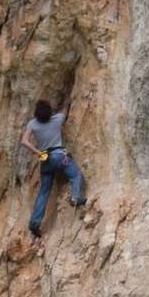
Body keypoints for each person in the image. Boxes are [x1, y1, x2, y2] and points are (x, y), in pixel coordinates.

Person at [21, 99, 86, 238]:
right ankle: (76, 197)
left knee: (44, 192)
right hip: (59, 156)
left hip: (45, 159)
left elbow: (24, 141)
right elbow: (65, 111)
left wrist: (37, 152)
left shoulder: (33, 124)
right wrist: (68, 103)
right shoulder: (57, 119)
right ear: (49, 112)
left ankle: (34, 222)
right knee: (75, 175)